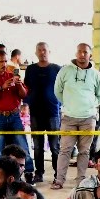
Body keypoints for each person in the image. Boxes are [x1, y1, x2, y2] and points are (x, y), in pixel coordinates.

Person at [51, 43, 100, 190]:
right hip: (68, 117)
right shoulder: (65, 70)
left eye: (85, 52)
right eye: (80, 52)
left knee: (84, 151)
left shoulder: (96, 74)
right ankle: (59, 180)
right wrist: (69, 104)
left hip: (88, 118)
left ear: (90, 55)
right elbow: (57, 91)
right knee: (65, 150)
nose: (82, 55)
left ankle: (81, 181)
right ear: (76, 53)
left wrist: (89, 106)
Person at [0, 47, 32, 172]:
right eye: (1, 61)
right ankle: (0, 174)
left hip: (14, 115)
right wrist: (2, 87)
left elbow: (24, 94)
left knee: (22, 145)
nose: (4, 64)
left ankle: (29, 171)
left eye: (5, 61)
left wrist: (19, 85)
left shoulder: (12, 75)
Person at [23, 42, 61, 182]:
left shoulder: (57, 69)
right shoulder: (31, 69)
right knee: (37, 146)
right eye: (39, 50)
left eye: (44, 50)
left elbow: (63, 89)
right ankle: (39, 173)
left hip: (53, 112)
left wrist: (60, 104)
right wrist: (25, 104)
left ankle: (58, 174)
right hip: (35, 113)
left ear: (49, 51)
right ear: (36, 52)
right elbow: (26, 88)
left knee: (55, 146)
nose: (42, 52)